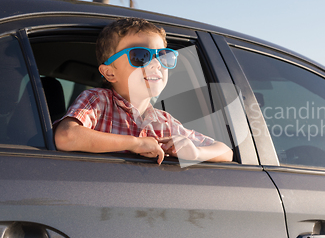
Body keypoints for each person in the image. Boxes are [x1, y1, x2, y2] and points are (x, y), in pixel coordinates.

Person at [54, 18, 233, 164]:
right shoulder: (98, 101)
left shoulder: (164, 122)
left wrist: (195, 153)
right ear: (110, 72)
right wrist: (135, 143)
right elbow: (66, 136)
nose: (155, 63)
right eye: (140, 56)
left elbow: (226, 152)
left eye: (163, 56)